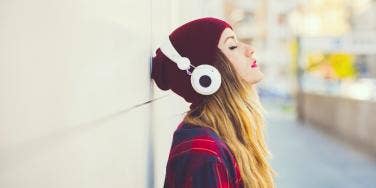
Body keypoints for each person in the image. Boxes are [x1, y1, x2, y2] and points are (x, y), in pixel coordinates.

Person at [151, 17, 275, 188]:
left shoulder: (225, 135)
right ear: (205, 76)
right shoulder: (203, 152)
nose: (250, 49)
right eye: (232, 46)